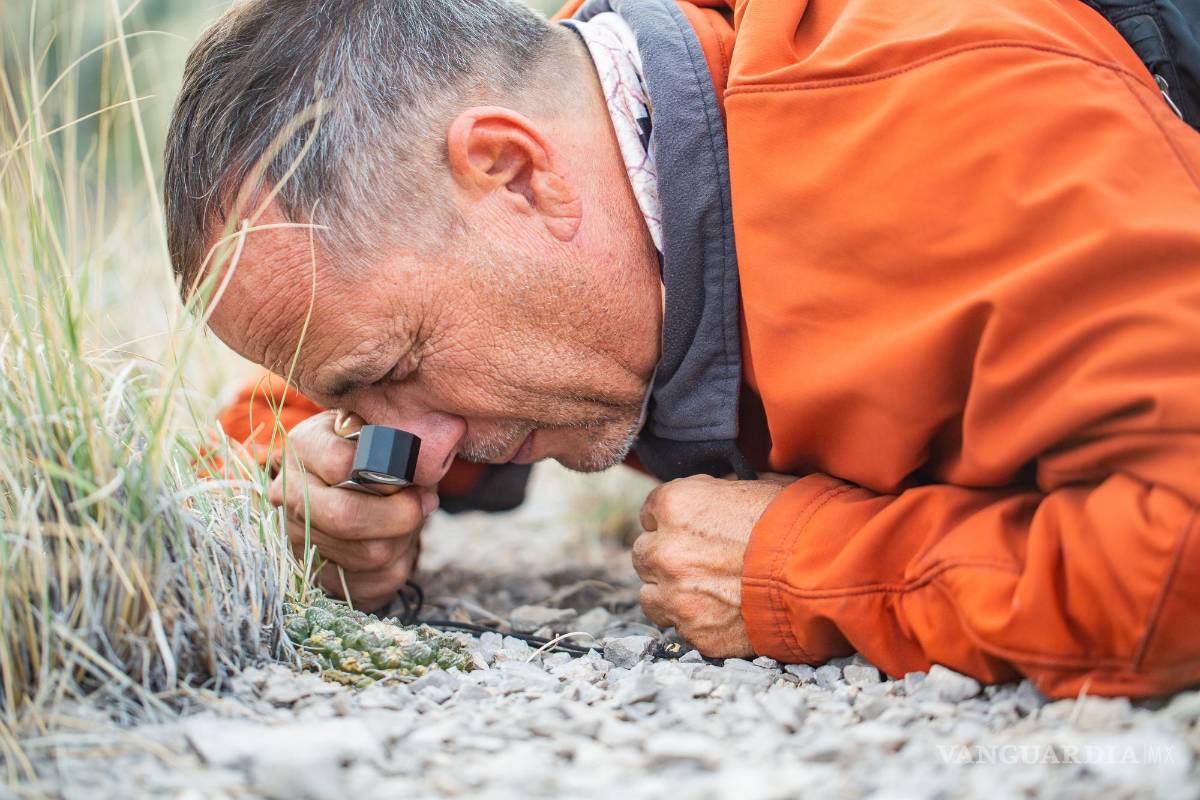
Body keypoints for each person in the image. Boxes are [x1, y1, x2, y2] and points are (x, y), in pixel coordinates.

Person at [163, 0, 1200, 699]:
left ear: (519, 173)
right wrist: (311, 502)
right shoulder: (589, 115)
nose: (416, 450)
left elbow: (1178, 560)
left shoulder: (971, 141)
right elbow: (316, 386)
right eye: (360, 390)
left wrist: (814, 568)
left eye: (395, 374)